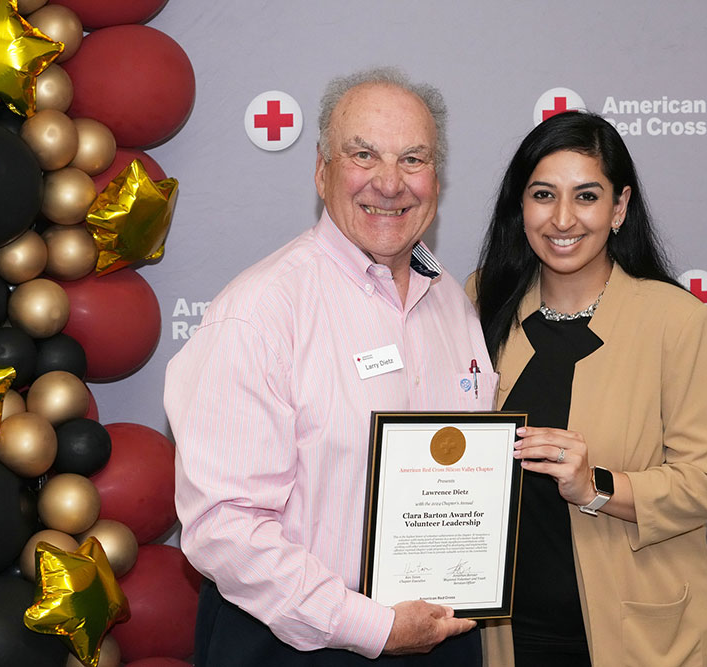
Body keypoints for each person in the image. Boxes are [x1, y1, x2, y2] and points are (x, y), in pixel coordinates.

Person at [163, 68, 496, 666]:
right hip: (295, 643)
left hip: (440, 636)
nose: (390, 183)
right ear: (323, 170)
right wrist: (369, 625)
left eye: (413, 159)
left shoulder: (451, 302)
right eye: (363, 154)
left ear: (436, 179)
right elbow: (225, 526)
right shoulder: (260, 311)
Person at [470, 111, 707, 667]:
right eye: (544, 194)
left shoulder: (675, 321)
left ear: (619, 209)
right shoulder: (478, 302)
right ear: (520, 207)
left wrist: (597, 487)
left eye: (586, 196)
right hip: (505, 636)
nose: (562, 218)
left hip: (637, 636)